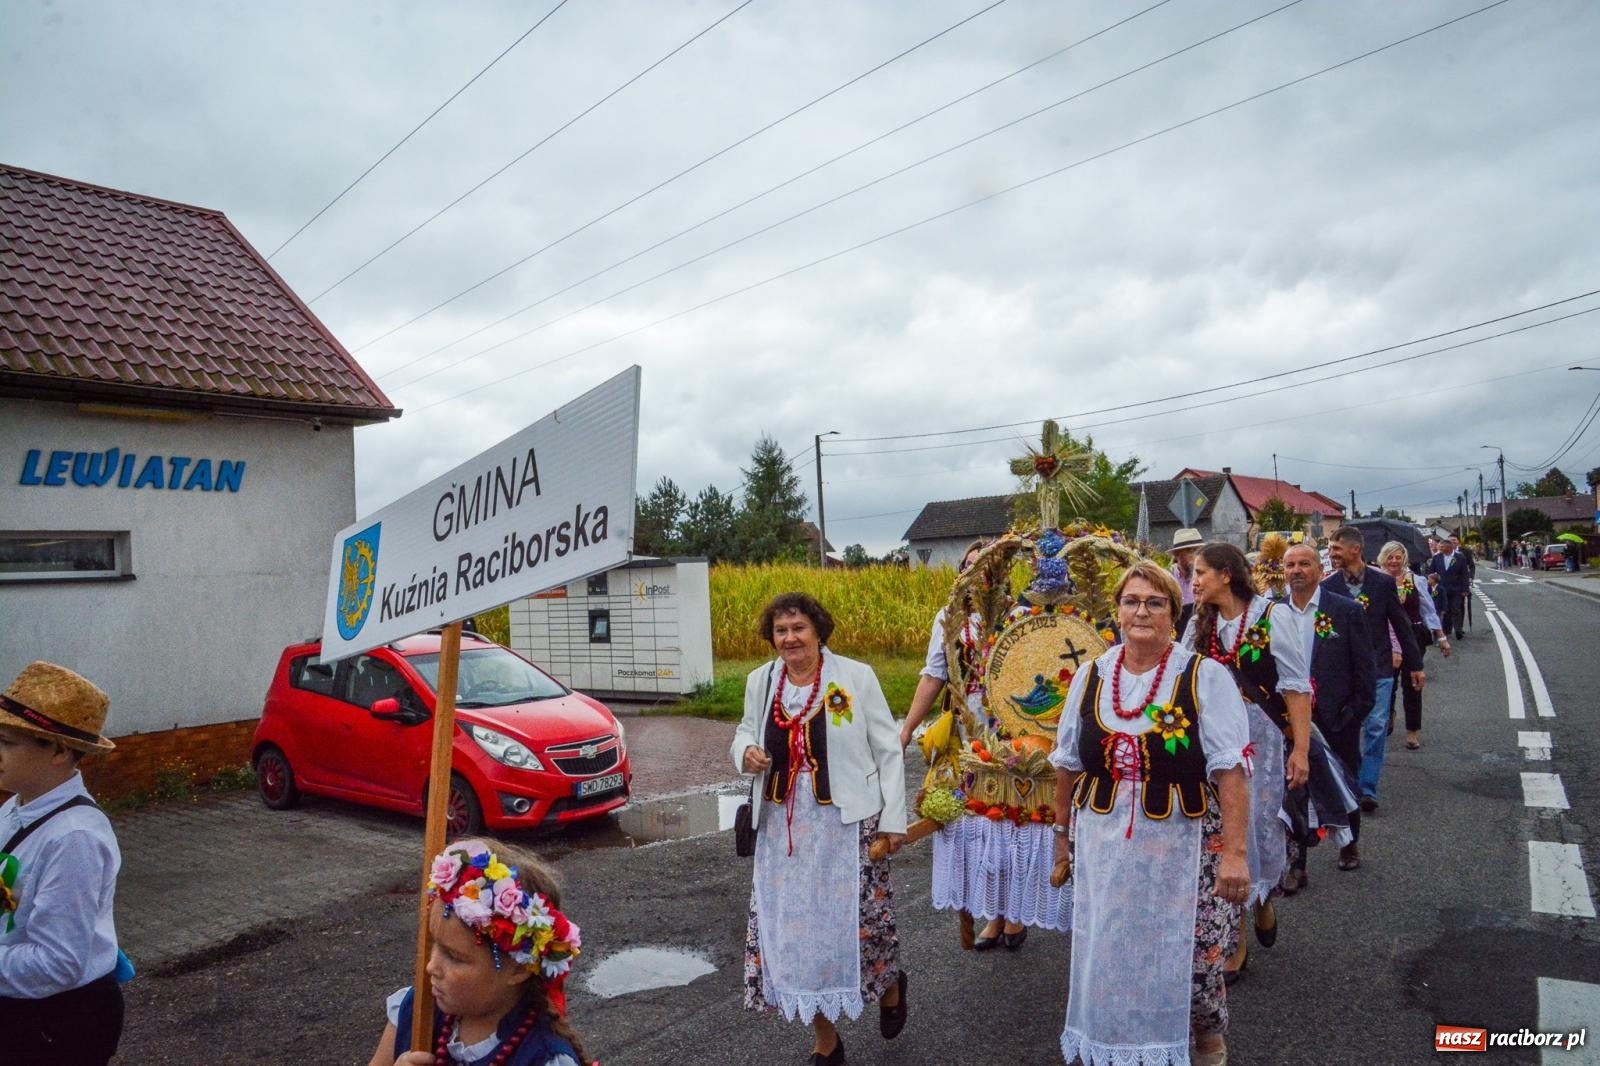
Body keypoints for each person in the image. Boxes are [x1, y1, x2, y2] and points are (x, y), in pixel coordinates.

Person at [1050, 561, 1251, 1066]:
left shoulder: (1207, 677)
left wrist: (1235, 855)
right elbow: (1067, 764)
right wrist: (1060, 839)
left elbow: (1231, 771)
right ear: (1117, 611)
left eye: (1155, 602)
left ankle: (1207, 1044)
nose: (1141, 611)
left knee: (1193, 960)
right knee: (1112, 949)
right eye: (1131, 601)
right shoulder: (1091, 675)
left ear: (1174, 613)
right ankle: (1118, 1046)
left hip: (1185, 847)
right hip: (1104, 844)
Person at [733, 592, 908, 1066]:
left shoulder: (854, 678)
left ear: (818, 632)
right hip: (784, 828)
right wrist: (746, 752)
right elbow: (745, 731)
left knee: (862, 926)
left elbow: (889, 750)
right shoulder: (761, 681)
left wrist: (893, 821)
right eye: (781, 630)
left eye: (798, 629)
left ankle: (891, 985)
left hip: (847, 823)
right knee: (794, 937)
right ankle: (825, 1040)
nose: (790, 638)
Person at [1183, 543, 1311, 984]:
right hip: (1213, 743)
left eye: (1200, 572)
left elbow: (1296, 687)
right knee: (1223, 829)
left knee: (1256, 825)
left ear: (1226, 574)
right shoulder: (1196, 624)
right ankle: (1234, 939)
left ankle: (1261, 900)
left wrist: (1301, 749)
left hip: (1263, 741)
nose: (1194, 580)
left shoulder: (1272, 617)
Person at [0, 661, 124, 1066]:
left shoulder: (74, 838)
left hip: (57, 1023)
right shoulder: (16, 808)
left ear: (58, 751)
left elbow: (58, 964)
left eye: (6, 742)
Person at [368, 839, 588, 1066]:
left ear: (519, 968)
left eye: (453, 956)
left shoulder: (542, 1057)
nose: (431, 966)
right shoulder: (416, 1008)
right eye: (435, 944)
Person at [1275, 544, 1373, 876]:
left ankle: (1349, 842)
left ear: (1320, 570)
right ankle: (1296, 862)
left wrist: (1350, 716)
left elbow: (1364, 673)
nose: (1297, 570)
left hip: (1336, 718)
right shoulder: (1272, 614)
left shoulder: (1345, 611)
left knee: (1343, 779)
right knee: (1292, 787)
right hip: (1289, 719)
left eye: (1304, 563)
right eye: (1290, 565)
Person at [1323, 526, 1422, 816]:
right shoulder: (1329, 587)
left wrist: (1415, 664)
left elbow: (1401, 624)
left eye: (1336, 549)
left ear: (1355, 549)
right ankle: (1349, 783)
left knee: (1376, 727)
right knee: (1347, 728)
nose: (1332, 554)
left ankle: (1367, 789)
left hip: (1378, 667)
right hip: (1343, 673)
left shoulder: (1381, 583)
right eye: (1330, 549)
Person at [1378, 542, 1450, 751]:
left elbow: (1428, 610)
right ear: (1383, 559)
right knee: (1386, 683)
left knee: (1413, 683)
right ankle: (1387, 714)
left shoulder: (1415, 581)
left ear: (1404, 559)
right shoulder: (1377, 581)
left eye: (1397, 557)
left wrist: (1441, 636)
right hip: (1384, 639)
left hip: (1413, 637)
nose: (1393, 561)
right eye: (1389, 557)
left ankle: (1412, 730)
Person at [1427, 535, 1472, 641]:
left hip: (1456, 589)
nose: (1440, 548)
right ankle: (1446, 631)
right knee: (1444, 610)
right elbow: (1431, 572)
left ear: (1449, 547)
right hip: (1441, 589)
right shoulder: (1437, 557)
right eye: (1439, 547)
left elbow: (1464, 574)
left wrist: (1466, 589)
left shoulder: (1459, 557)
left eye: (1442, 547)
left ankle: (1458, 629)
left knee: (1456, 609)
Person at [1169, 527, 1203, 635]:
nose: (1196, 557)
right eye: (1191, 551)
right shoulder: (1167, 580)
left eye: (1199, 551)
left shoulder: (1206, 579)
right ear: (1176, 554)